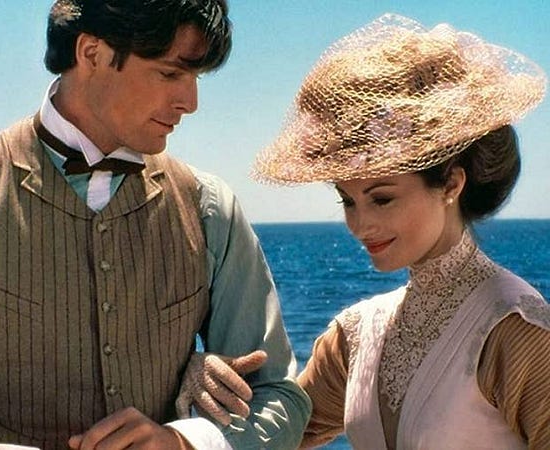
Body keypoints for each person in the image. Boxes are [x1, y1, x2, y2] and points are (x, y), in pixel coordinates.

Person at [0, 1, 311, 449]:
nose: (191, 101)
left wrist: (185, 442)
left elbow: (281, 398)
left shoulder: (210, 209)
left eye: (195, 77)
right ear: (92, 53)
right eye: (169, 73)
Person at [181, 13, 550, 449]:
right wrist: (197, 374)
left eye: (382, 199)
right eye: (348, 201)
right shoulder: (355, 336)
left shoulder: (515, 329)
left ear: (451, 184)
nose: (359, 224)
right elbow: (275, 435)